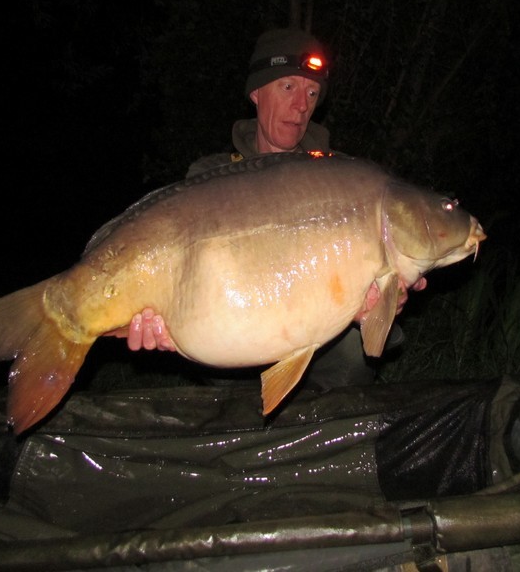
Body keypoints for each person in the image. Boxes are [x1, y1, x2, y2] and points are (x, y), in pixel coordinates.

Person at [114, 27, 425, 390]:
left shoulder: (343, 178)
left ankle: (322, 420)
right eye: (288, 87)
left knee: (353, 348)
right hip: (235, 334)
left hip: (319, 334)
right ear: (256, 93)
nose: (302, 105)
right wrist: (162, 321)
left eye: (312, 93)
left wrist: (384, 302)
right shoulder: (210, 178)